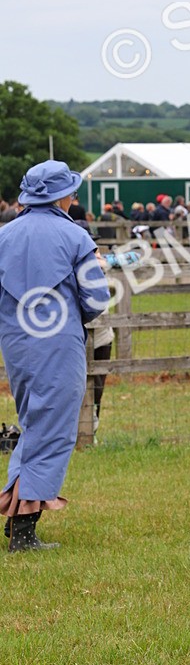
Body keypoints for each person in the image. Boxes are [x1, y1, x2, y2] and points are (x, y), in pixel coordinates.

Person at [0, 160, 110, 552]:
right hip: (59, 344)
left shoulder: (4, 235)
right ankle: (24, 531)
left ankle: (17, 519)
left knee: (33, 423)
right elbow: (96, 298)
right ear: (62, 196)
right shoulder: (75, 237)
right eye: (72, 191)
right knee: (54, 431)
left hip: (16, 343)